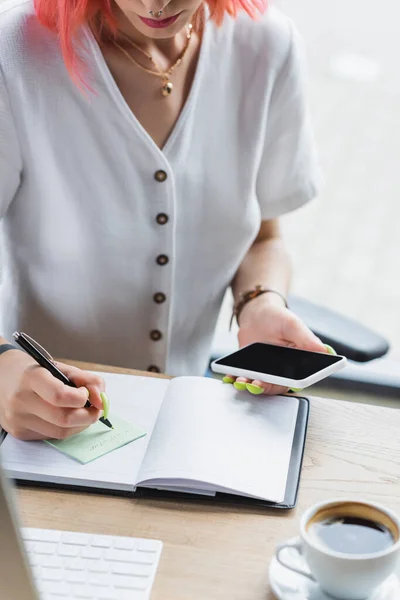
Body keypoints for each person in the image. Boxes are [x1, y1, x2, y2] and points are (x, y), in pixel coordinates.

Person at [0, 0, 327, 441]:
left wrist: (260, 302)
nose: (155, 4)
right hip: (36, 426)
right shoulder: (15, 53)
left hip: (182, 420)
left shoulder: (266, 46)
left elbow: (264, 236)